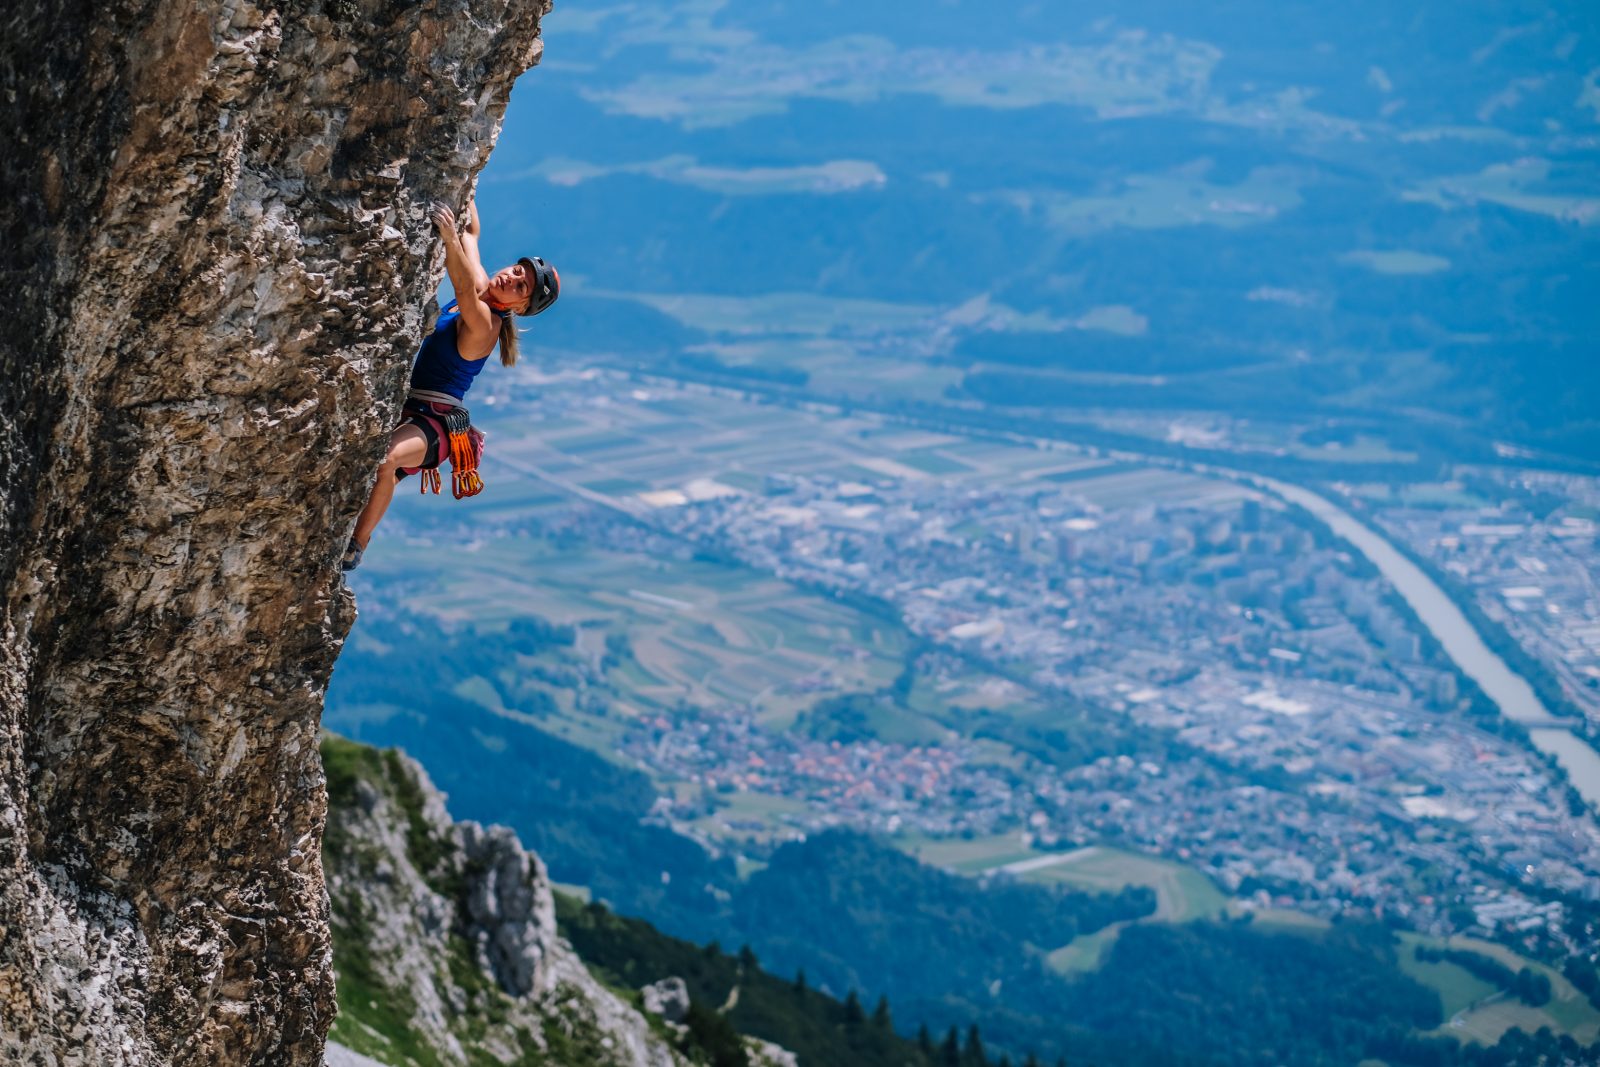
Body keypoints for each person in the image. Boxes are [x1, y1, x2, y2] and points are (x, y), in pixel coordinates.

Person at [342, 199, 559, 571]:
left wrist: (447, 237)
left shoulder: (487, 324)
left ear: (519, 308)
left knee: (386, 458)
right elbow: (473, 235)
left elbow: (460, 287)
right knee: (380, 463)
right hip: (415, 410)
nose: (511, 276)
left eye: (520, 285)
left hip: (438, 426)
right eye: (516, 270)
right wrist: (469, 190)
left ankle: (357, 545)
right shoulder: (481, 288)